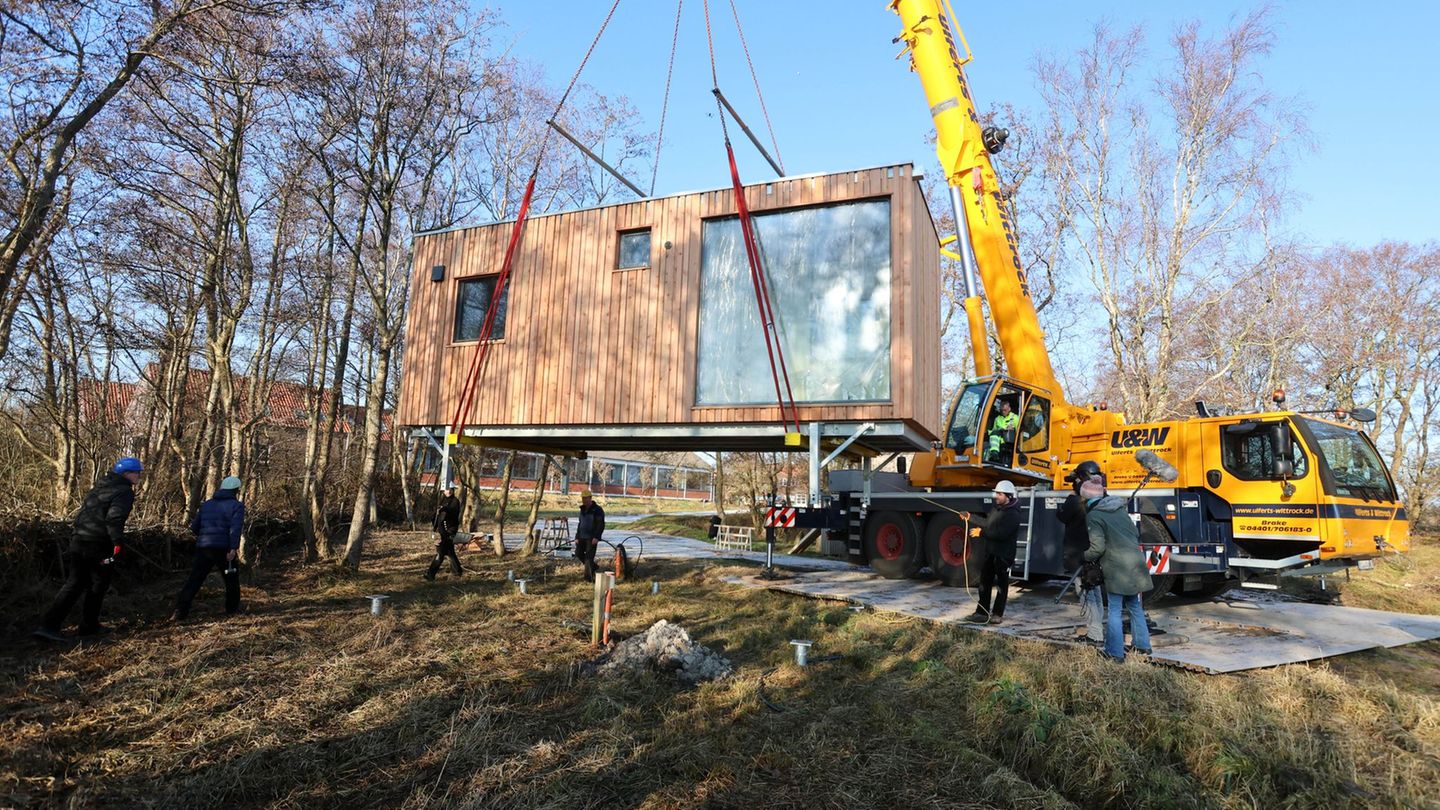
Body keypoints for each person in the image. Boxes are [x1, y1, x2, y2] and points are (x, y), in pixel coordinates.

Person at [33, 457, 144, 641]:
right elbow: (114, 518)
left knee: (75, 583)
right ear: (126, 474)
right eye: (136, 472)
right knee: (99, 583)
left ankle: (49, 625)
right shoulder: (124, 491)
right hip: (100, 546)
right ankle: (87, 626)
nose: (139, 476)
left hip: (79, 541)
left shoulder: (99, 488)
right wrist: (117, 543)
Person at [1081, 475, 1153, 661]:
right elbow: (1135, 533)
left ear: (1087, 498)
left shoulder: (1094, 516)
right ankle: (1143, 646)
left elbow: (1098, 548)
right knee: (1135, 606)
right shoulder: (1119, 510)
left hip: (1117, 568)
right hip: (1136, 564)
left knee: (1114, 609)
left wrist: (1083, 557)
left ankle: (1114, 652)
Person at [171, 475, 245, 621]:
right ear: (236, 490)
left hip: (204, 547)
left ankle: (180, 612)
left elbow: (194, 528)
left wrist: (205, 537)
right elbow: (235, 529)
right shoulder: (237, 506)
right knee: (231, 580)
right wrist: (233, 548)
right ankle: (232, 610)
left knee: (194, 580)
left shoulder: (206, 505)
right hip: (224, 549)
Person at [958, 480, 1022, 625]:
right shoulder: (997, 508)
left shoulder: (1013, 514)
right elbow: (988, 523)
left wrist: (981, 533)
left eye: (999, 494)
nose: (996, 496)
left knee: (1001, 585)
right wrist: (970, 516)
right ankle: (981, 612)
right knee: (984, 583)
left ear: (1009, 496)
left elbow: (1001, 533)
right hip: (991, 552)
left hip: (1004, 555)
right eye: (996, 493)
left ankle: (997, 614)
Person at [1058, 460, 1105, 643]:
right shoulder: (1103, 498)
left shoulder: (1076, 501)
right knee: (1096, 592)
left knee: (1086, 593)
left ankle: (1094, 634)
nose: (1074, 483)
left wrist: (1070, 497)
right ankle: (1097, 629)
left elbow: (1061, 515)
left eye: (1076, 479)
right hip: (1095, 554)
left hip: (1079, 555)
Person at [425, 486, 463, 580]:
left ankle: (430, 574)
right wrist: (434, 526)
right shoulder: (442, 500)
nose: (449, 491)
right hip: (442, 531)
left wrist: (445, 509)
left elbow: (453, 513)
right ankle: (457, 571)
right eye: (447, 489)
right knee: (450, 552)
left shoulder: (455, 501)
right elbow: (437, 516)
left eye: (450, 489)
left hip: (450, 531)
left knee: (440, 552)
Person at [574, 489, 606, 579]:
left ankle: (588, 578)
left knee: (588, 558)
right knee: (578, 553)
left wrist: (597, 537)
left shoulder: (597, 510)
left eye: (586, 498)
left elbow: (601, 525)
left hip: (591, 538)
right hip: (581, 537)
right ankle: (594, 566)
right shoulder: (582, 509)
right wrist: (577, 536)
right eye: (583, 498)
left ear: (590, 498)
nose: (584, 500)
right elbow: (580, 524)